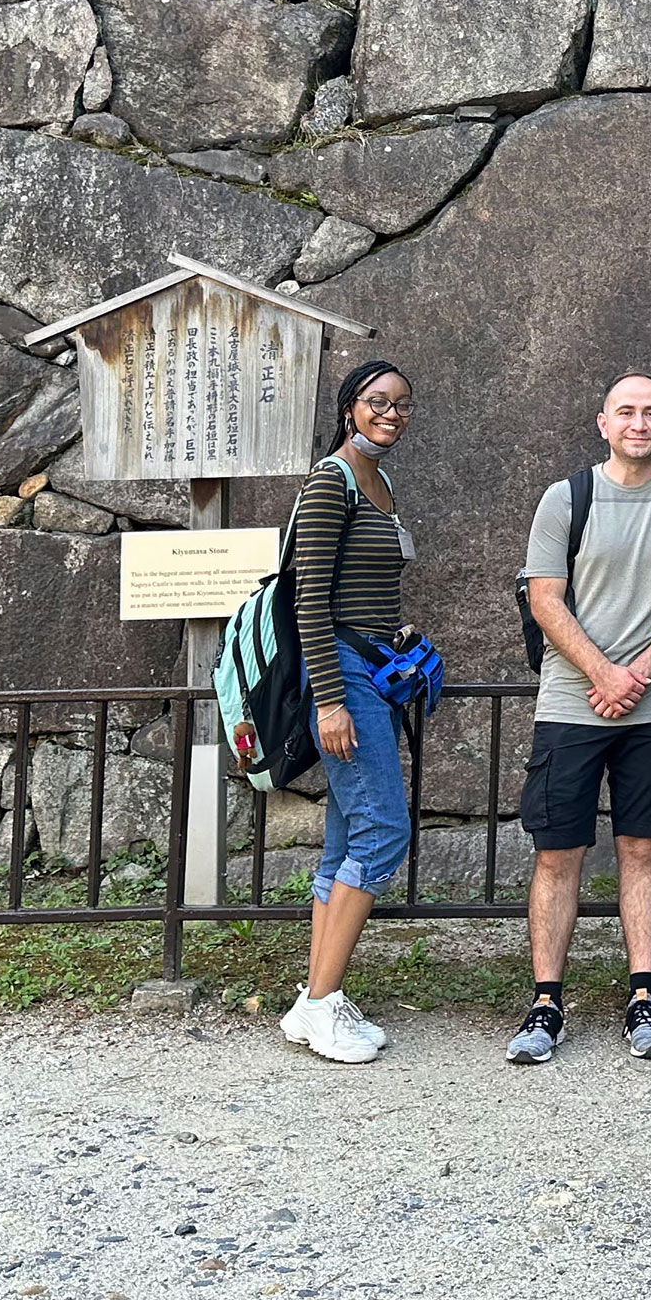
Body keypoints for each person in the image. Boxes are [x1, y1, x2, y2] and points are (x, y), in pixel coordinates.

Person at [507, 372, 651, 1065]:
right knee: (557, 851)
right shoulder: (566, 499)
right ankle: (545, 1002)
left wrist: (635, 678)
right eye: (626, 412)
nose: (638, 423)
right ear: (603, 422)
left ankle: (644, 995)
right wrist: (604, 674)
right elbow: (545, 598)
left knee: (643, 849)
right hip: (573, 703)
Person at [279, 360, 418, 1066]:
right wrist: (330, 699)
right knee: (384, 831)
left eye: (401, 404)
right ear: (348, 408)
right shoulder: (330, 481)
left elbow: (363, 591)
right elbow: (308, 599)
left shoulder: (380, 481)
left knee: (345, 838)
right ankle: (326, 1003)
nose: (391, 412)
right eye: (377, 401)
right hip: (344, 678)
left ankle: (313, 1003)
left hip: (375, 672)